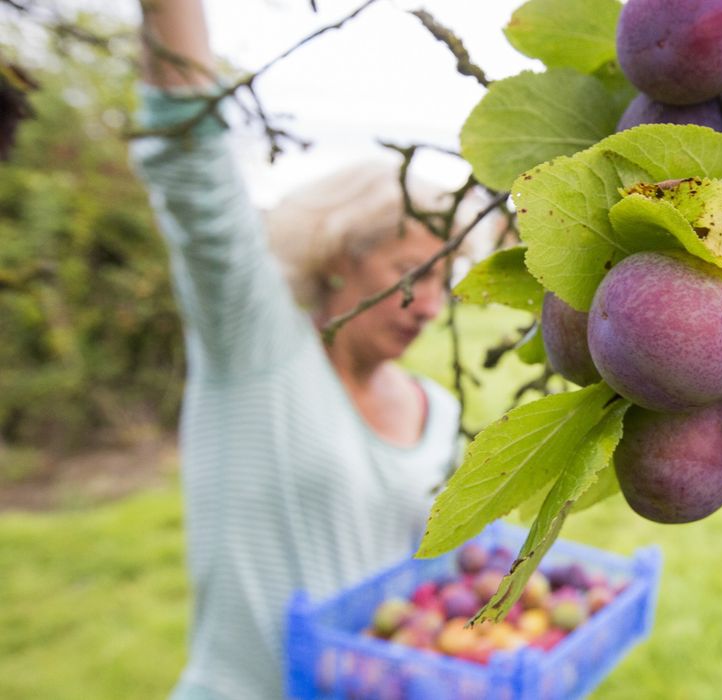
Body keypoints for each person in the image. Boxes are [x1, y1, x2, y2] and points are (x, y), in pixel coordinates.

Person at [131, 1, 493, 696]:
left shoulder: (437, 411)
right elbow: (194, 175)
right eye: (409, 276)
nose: (432, 306)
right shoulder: (258, 352)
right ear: (338, 259)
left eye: (445, 283)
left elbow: (430, 586)